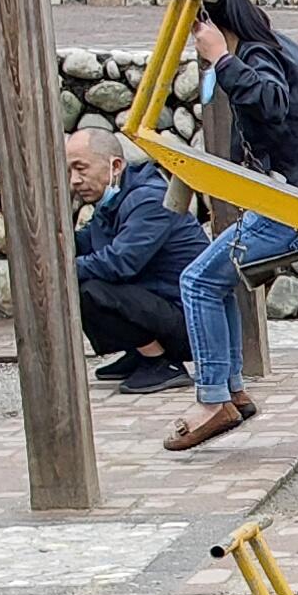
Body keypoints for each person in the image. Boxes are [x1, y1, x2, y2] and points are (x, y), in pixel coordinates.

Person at [171, 0, 298, 456]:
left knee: (197, 282)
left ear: (205, 22)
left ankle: (214, 399)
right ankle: (230, 391)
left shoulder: (255, 55)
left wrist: (221, 59)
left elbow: (270, 102)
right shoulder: (273, 45)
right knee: (213, 281)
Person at [64, 121, 207, 395]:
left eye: (81, 169)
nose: (74, 181)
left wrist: (61, 270)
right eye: (70, 171)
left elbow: (119, 263)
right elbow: (85, 243)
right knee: (83, 278)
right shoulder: (114, 200)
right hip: (163, 307)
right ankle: (141, 352)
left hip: (192, 322)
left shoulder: (149, 199)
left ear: (115, 166)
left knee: (90, 290)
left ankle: (161, 362)